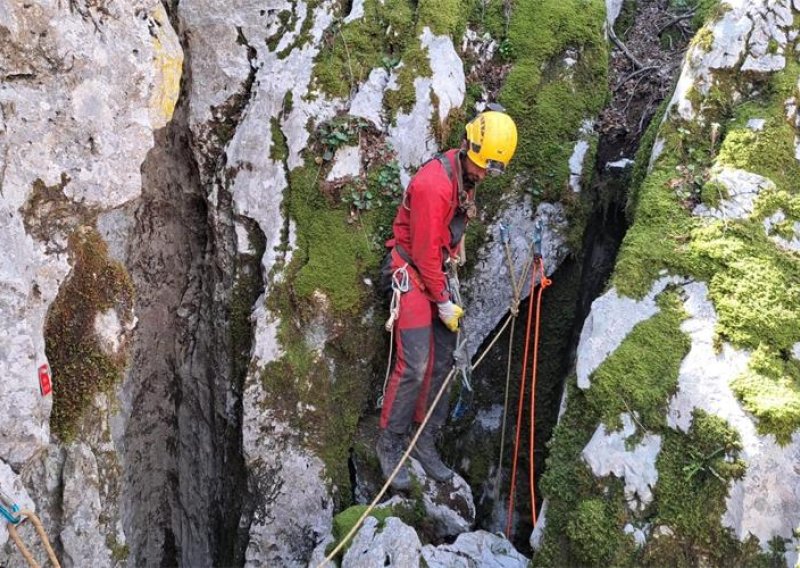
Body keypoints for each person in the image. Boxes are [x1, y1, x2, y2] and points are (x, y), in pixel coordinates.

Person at [377, 110, 518, 490]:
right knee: (416, 363)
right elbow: (422, 252)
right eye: (485, 165)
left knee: (446, 360)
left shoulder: (464, 177)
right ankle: (389, 443)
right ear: (469, 146)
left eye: (492, 168)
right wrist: (442, 301)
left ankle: (423, 441)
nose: (486, 174)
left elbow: (442, 242)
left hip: (436, 274)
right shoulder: (434, 186)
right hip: (413, 273)